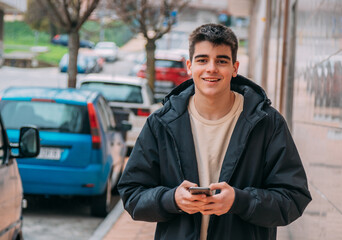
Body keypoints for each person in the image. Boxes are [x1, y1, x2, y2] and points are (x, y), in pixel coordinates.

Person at [118, 23, 312, 240]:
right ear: (190, 66)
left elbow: (294, 198)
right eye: (202, 60)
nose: (211, 68)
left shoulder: (267, 123)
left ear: (235, 68)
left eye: (221, 61)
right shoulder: (161, 122)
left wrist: (240, 201)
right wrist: (171, 199)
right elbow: (131, 193)